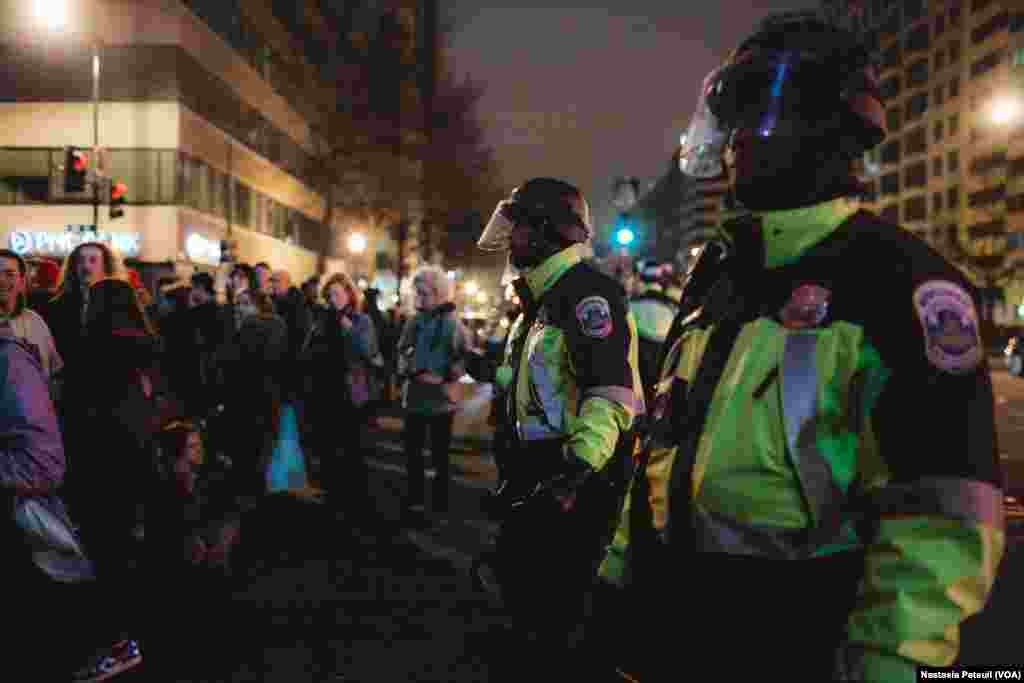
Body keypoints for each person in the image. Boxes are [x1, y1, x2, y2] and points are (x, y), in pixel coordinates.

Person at [598, 13, 1005, 682]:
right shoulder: (721, 276)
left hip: (797, 645)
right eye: (729, 117)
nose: (732, 141)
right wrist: (616, 578)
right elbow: (663, 446)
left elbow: (941, 522)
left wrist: (885, 665)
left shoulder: (899, 284)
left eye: (755, 112)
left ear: (824, 127)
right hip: (670, 637)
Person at [468, 177, 644, 678]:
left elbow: (610, 396)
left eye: (519, 227)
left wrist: (574, 477)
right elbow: (533, 384)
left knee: (561, 625)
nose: (511, 238)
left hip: (571, 488)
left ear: (547, 232)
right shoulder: (540, 299)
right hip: (537, 478)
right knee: (529, 611)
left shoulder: (588, 295)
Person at [395, 265, 471, 526]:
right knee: (413, 453)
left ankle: (440, 501)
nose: (420, 298)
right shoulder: (414, 321)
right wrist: (408, 369)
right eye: (418, 293)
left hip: (441, 399)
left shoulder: (452, 323)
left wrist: (446, 376)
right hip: (416, 395)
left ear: (438, 293)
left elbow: (464, 357)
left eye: (425, 293)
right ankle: (415, 497)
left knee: (440, 455)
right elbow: (402, 350)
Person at [628, 260, 680, 398]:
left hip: (631, 379)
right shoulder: (673, 308)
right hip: (658, 377)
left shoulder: (631, 305)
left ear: (640, 278)